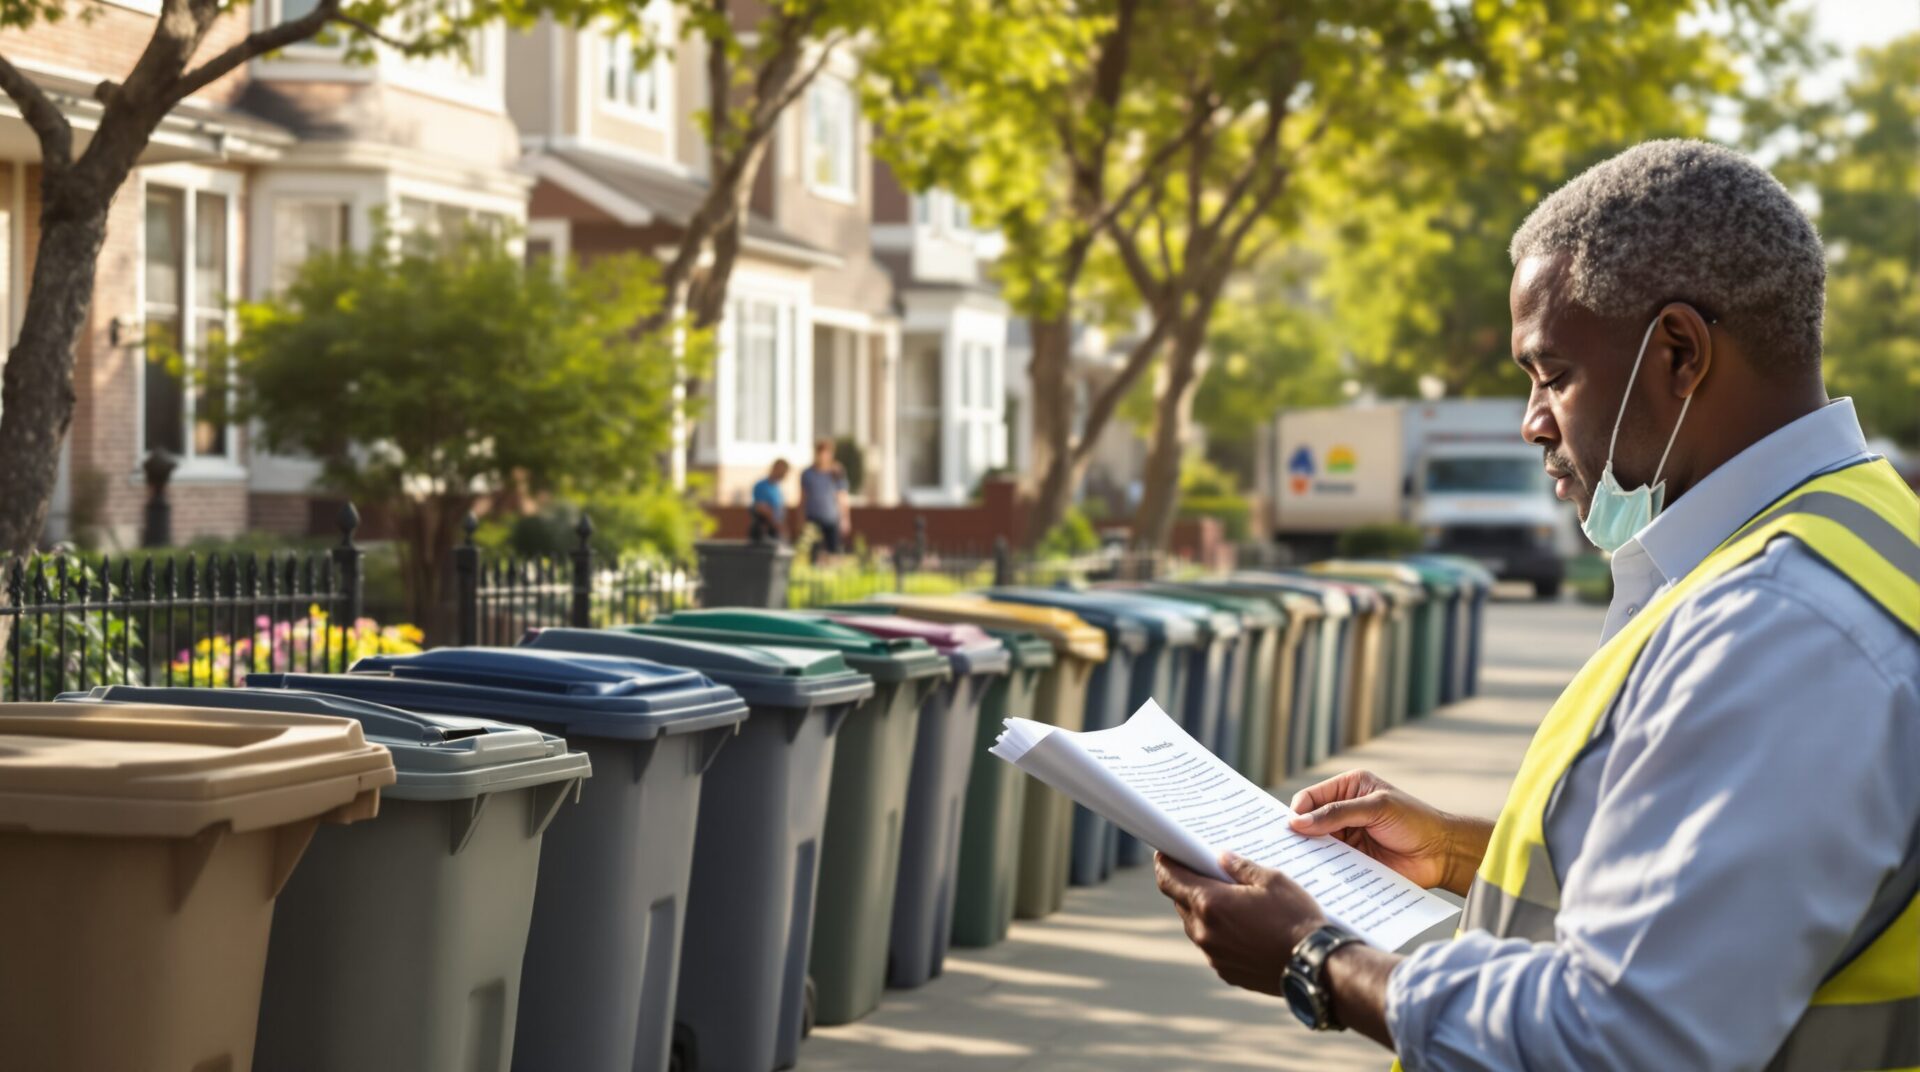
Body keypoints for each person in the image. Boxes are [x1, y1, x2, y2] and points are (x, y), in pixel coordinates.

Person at [1156, 140, 1918, 1070]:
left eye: (1552, 373)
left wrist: (1317, 959)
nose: (1533, 421)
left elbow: (1625, 1036)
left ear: (1680, 353)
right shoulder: (1861, 535)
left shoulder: (1777, 624)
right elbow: (1741, 888)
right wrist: (1455, 853)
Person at [799, 439, 851, 560]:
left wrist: (845, 518)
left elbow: (842, 496)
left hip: (831, 517)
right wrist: (800, 518)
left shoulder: (837, 472)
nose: (823, 456)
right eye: (820, 452)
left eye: (826, 453)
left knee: (833, 551)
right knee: (814, 551)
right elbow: (802, 498)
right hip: (813, 516)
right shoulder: (807, 474)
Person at [748, 459, 790, 544]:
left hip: (776, 530)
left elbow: (779, 511)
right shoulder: (762, 486)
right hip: (765, 530)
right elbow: (761, 507)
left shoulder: (777, 488)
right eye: (782, 471)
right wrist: (777, 525)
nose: (784, 475)